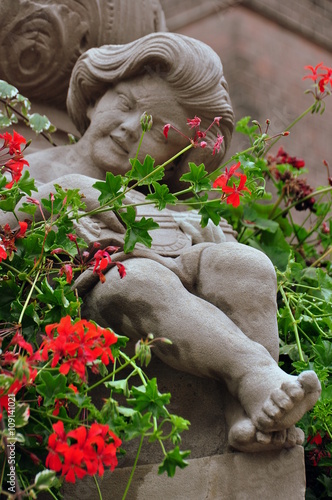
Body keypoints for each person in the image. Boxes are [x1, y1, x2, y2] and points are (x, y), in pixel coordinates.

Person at [23, 32, 320, 452]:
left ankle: (248, 414)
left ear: (175, 162)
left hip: (163, 288)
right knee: (139, 280)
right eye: (125, 104)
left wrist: (203, 232)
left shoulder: (164, 206)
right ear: (94, 96)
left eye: (159, 132)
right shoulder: (30, 170)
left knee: (248, 266)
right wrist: (69, 191)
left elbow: (220, 255)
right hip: (71, 306)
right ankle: (253, 373)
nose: (130, 128)